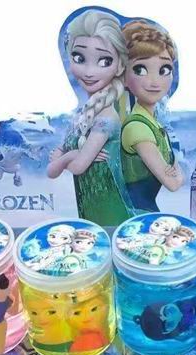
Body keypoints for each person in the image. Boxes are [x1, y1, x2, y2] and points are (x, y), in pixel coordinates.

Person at [47, 9, 134, 225]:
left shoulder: (107, 117)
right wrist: (73, 156)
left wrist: (68, 157)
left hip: (107, 206)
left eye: (104, 61)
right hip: (88, 203)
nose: (88, 71)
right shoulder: (83, 114)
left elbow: (77, 166)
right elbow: (52, 171)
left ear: (120, 66)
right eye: (79, 58)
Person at [121, 20, 184, 212]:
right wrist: (176, 171)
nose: (154, 82)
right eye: (140, 70)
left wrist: (176, 172)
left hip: (147, 210)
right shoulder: (137, 127)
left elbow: (177, 177)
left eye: (164, 70)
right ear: (123, 76)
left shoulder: (153, 122)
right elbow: (173, 183)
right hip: (138, 214)